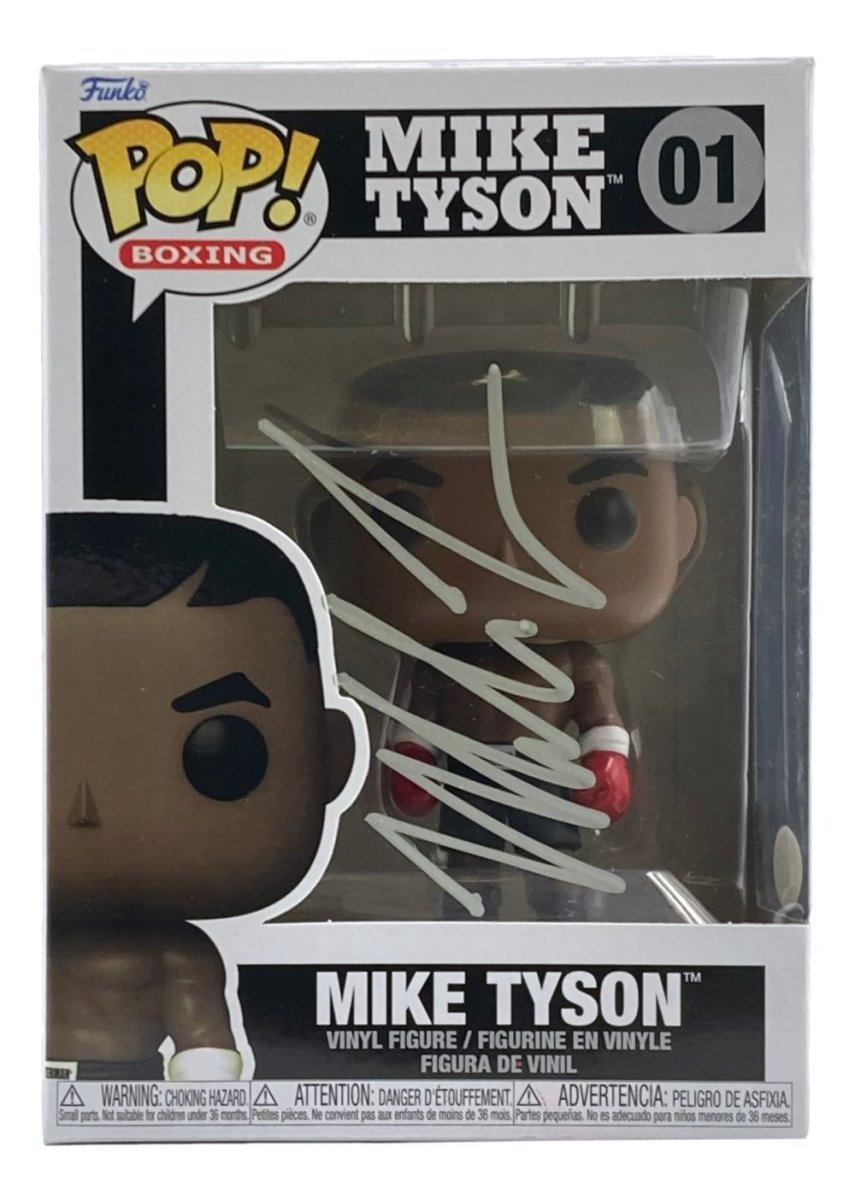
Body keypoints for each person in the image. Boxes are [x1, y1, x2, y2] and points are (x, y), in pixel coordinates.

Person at [47, 512, 354, 1080]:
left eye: (219, 755)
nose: (83, 810)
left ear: (330, 757)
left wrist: (204, 1095)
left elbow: (205, 1047)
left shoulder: (176, 955)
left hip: (125, 1088)